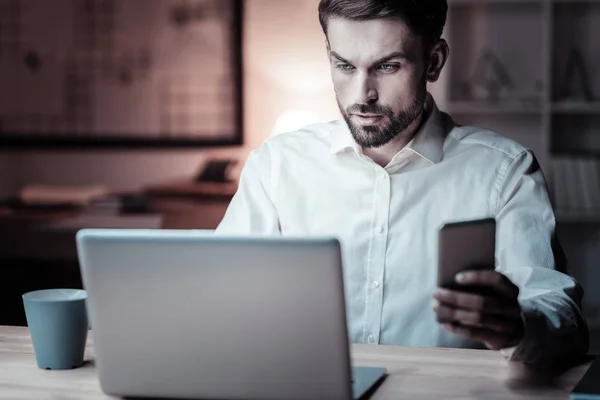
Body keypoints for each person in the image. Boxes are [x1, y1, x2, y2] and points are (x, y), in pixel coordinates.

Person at [216, 0, 588, 364]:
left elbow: (562, 317)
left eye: (388, 66)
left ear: (434, 61)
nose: (362, 95)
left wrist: (519, 326)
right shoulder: (277, 165)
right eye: (344, 65)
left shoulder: (504, 171)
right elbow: (217, 294)